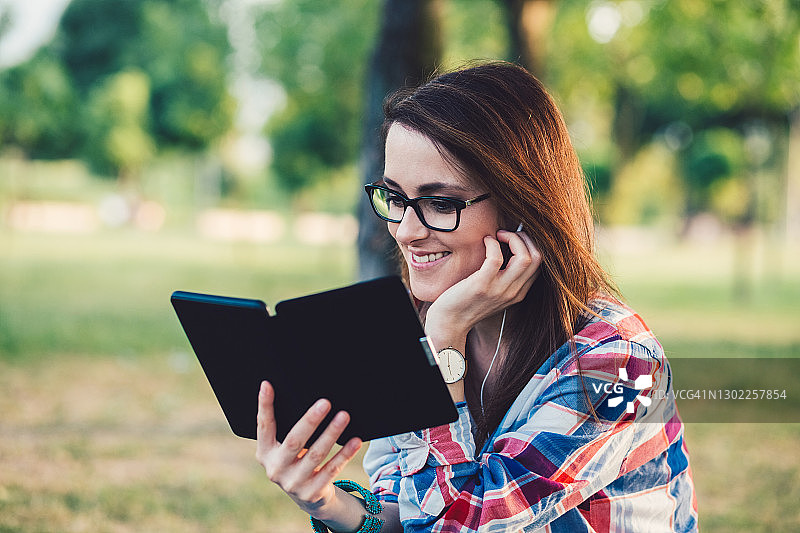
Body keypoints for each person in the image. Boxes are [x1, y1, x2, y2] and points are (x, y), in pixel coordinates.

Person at [255, 61, 698, 532]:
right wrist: (329, 504)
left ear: (522, 205)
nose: (405, 232)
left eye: (440, 203)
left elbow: (458, 525)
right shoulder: (408, 325)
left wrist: (444, 340)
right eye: (394, 197)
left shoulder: (620, 362)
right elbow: (411, 511)